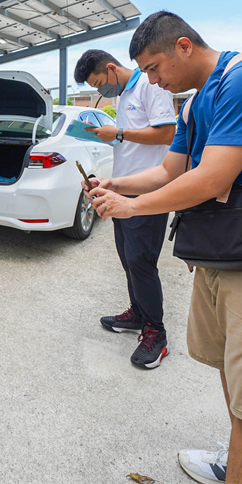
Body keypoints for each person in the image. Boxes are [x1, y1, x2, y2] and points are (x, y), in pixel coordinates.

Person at [87, 11, 242, 483]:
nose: (153, 80)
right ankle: (237, 469)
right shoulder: (194, 104)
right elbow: (168, 172)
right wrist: (117, 184)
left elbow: (213, 177)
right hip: (229, 253)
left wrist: (132, 208)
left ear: (184, 46)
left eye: (155, 68)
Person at [73, 49, 177, 369]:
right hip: (122, 193)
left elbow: (167, 132)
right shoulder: (123, 97)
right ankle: (138, 312)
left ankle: (155, 334)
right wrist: (107, 180)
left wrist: (117, 132)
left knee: (141, 262)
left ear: (111, 68)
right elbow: (132, 146)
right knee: (127, 258)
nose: (102, 91)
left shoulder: (149, 86)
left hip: (146, 195)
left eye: (100, 83)